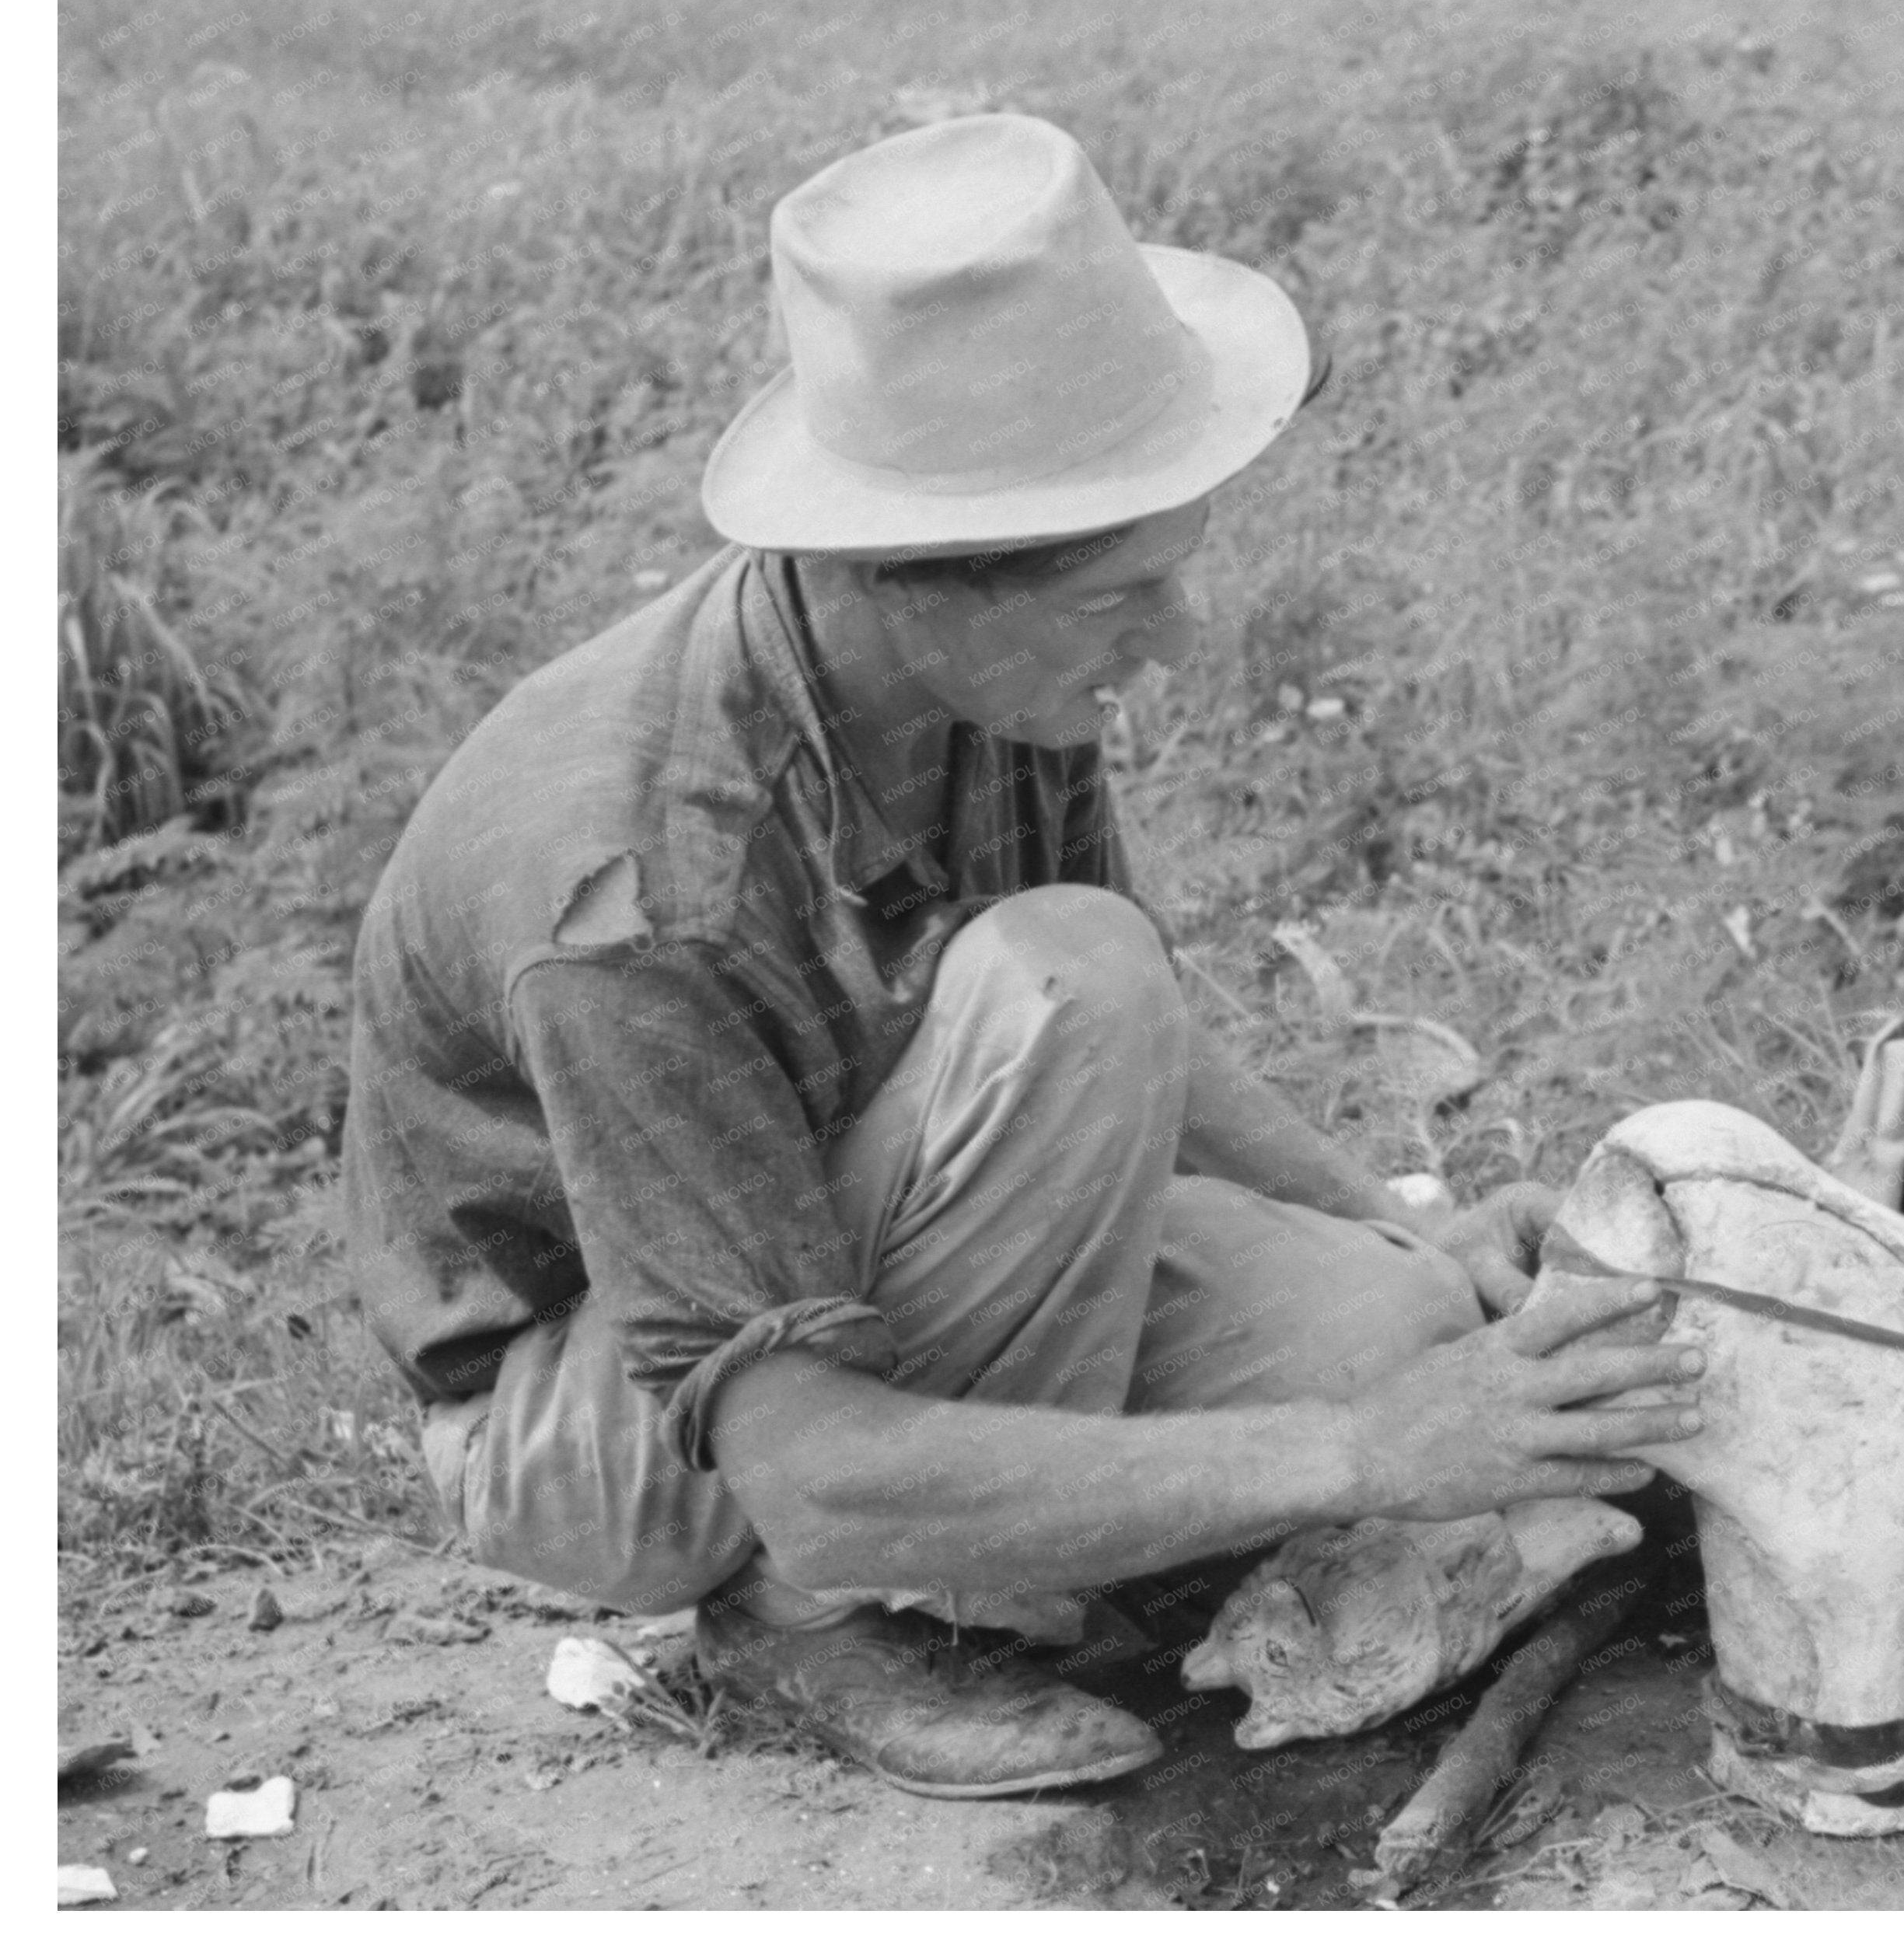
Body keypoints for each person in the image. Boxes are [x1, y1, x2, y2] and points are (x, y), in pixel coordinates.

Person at [341, 114, 1703, 1799]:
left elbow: (1139, 1050)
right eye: (1126, 593)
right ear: (921, 576)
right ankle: (815, 1620)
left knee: (1395, 1315)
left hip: (830, 1225)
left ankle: (1048, 1517)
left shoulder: (979, 680)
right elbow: (815, 1457)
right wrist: (1360, 1456)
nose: (1178, 636)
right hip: (598, 1408)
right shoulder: (638, 894)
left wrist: (1386, 1213)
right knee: (1094, 1010)